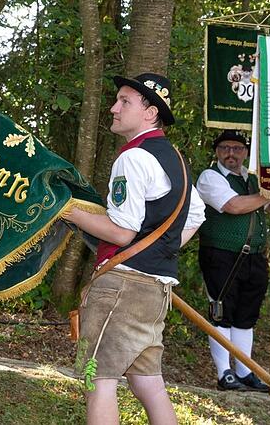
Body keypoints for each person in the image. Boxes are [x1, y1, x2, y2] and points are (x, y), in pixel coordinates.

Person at [63, 73, 205, 425]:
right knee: (147, 382)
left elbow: (122, 233)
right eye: (117, 100)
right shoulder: (175, 160)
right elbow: (198, 214)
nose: (114, 108)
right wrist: (160, 255)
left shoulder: (133, 158)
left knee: (99, 378)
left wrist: (67, 210)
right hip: (156, 289)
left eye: (125, 101)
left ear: (150, 113)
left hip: (123, 287)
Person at [196, 130, 270, 393]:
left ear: (245, 152)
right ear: (217, 152)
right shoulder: (210, 177)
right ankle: (225, 374)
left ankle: (244, 372)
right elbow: (233, 206)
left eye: (237, 148)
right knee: (221, 314)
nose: (230, 153)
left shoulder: (254, 181)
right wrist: (269, 194)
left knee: (246, 317)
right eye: (224, 148)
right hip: (220, 254)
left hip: (254, 257)